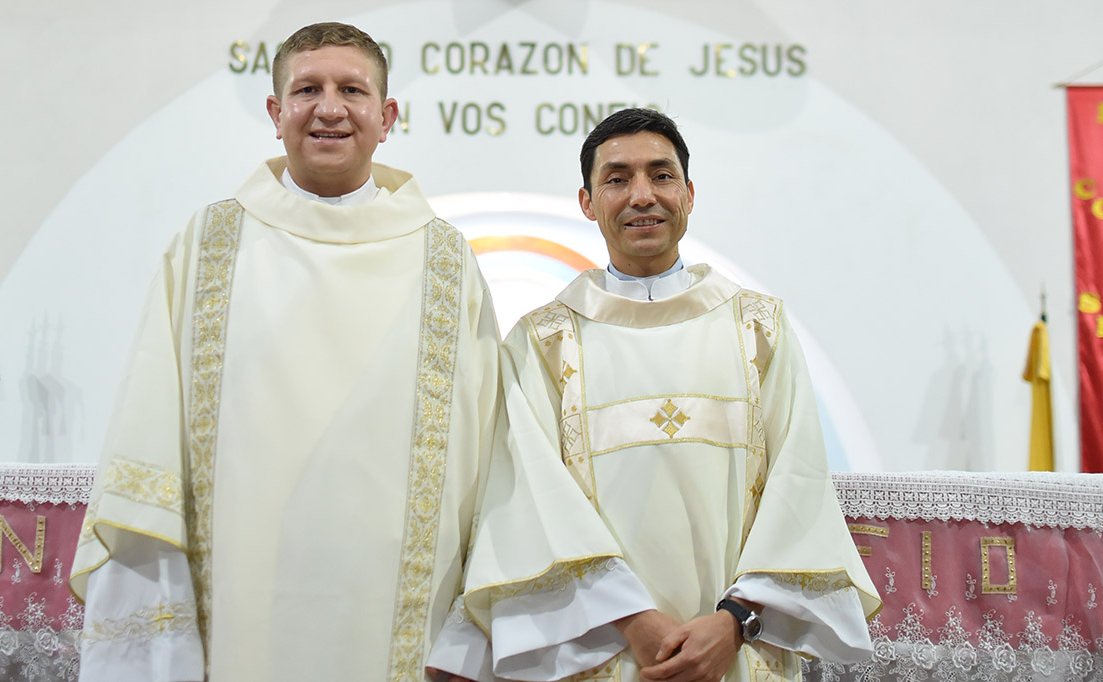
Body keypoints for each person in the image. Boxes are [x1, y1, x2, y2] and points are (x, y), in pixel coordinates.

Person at [70, 22, 504, 681]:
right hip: (238, 589)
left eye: (352, 90)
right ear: (276, 114)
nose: (329, 108)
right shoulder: (210, 243)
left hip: (401, 603)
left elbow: (489, 441)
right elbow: (150, 413)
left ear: (387, 117)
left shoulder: (443, 258)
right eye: (307, 90)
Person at [429, 108, 880, 682]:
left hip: (733, 650)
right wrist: (634, 620)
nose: (642, 195)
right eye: (617, 179)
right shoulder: (543, 342)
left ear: (689, 194)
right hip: (608, 650)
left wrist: (733, 622)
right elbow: (529, 501)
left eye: (661, 176)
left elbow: (798, 486)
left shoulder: (758, 328)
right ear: (587, 202)